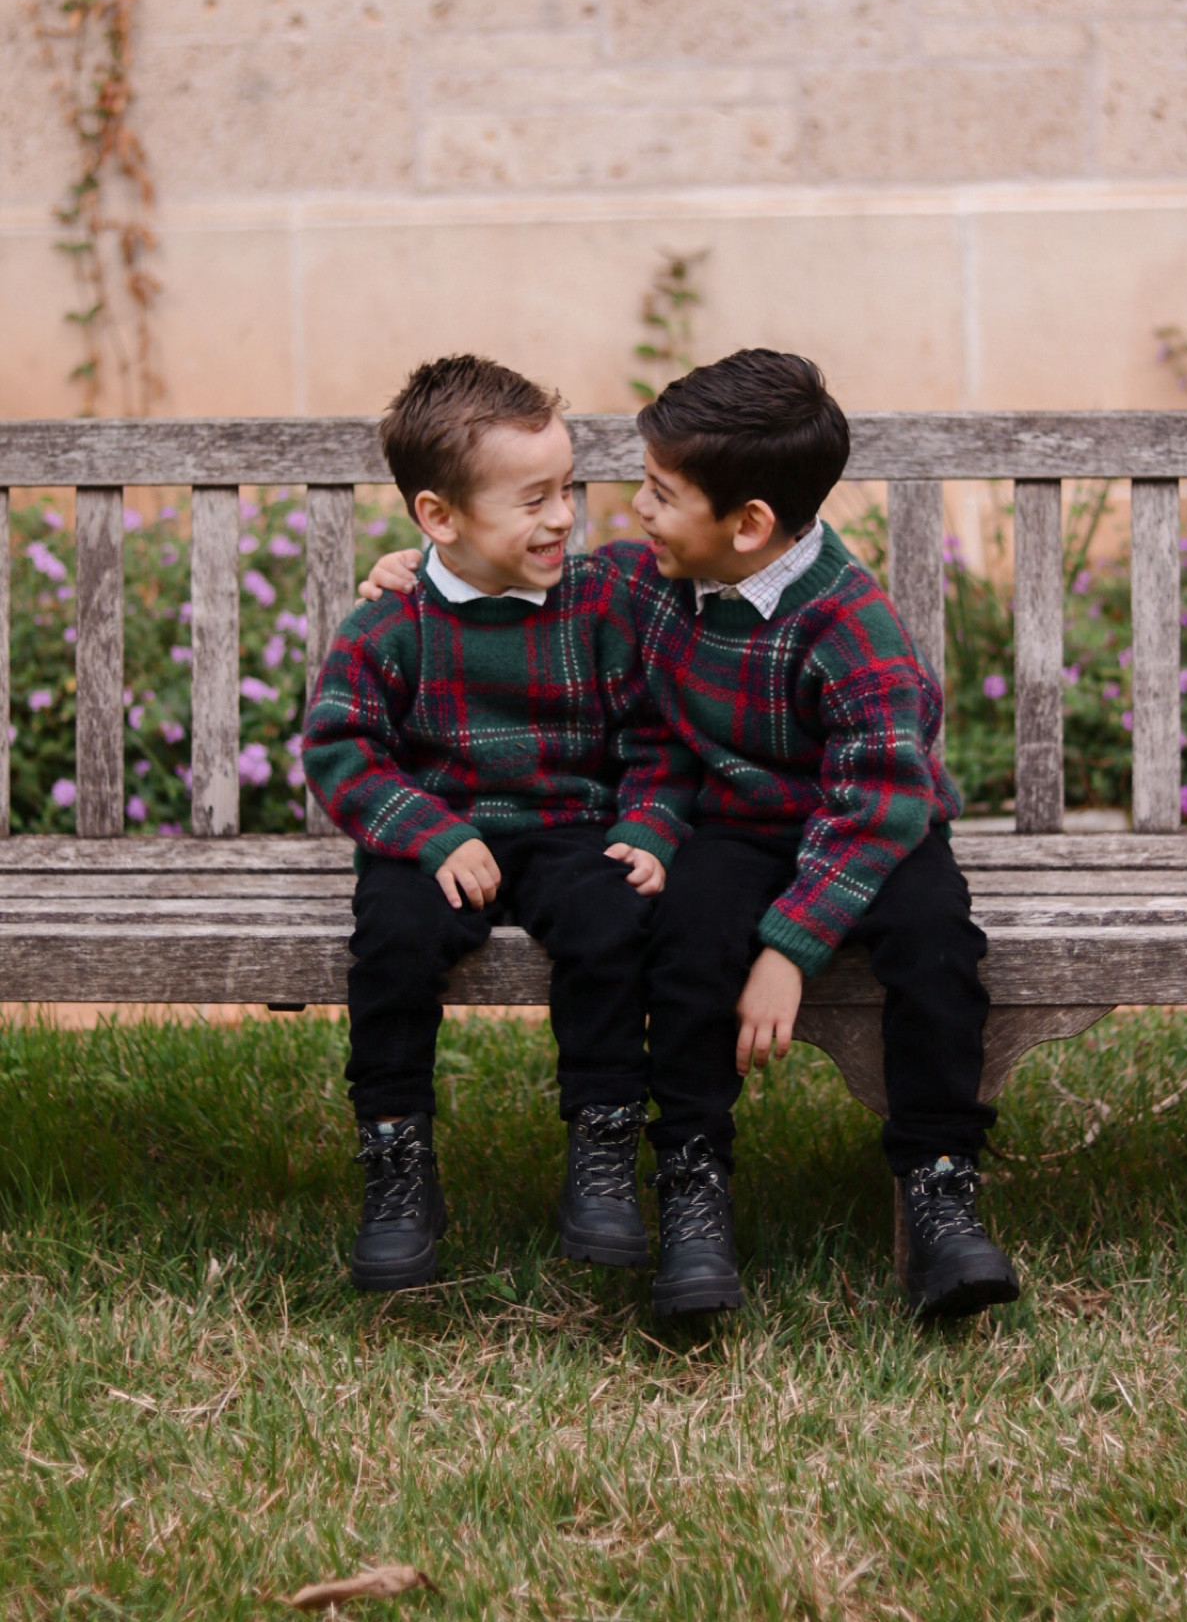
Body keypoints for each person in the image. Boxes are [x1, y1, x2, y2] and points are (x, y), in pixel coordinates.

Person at [360, 350, 1018, 1321]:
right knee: (687, 930)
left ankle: (938, 1182)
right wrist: (421, 570)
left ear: (747, 523)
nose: (636, 512)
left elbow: (881, 797)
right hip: (735, 826)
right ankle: (694, 1181)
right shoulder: (660, 575)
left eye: (660, 494)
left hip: (873, 825)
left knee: (935, 941)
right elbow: (521, 564)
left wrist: (790, 949)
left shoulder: (853, 624)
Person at [304, 354, 691, 1292]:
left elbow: (660, 734)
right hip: (439, 836)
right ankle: (398, 1162)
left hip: (570, 826)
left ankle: (602, 1151)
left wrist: (647, 823)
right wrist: (431, 833)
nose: (562, 517)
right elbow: (340, 751)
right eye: (532, 500)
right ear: (438, 517)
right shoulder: (392, 622)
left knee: (610, 928)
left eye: (566, 491)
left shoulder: (605, 598)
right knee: (393, 943)